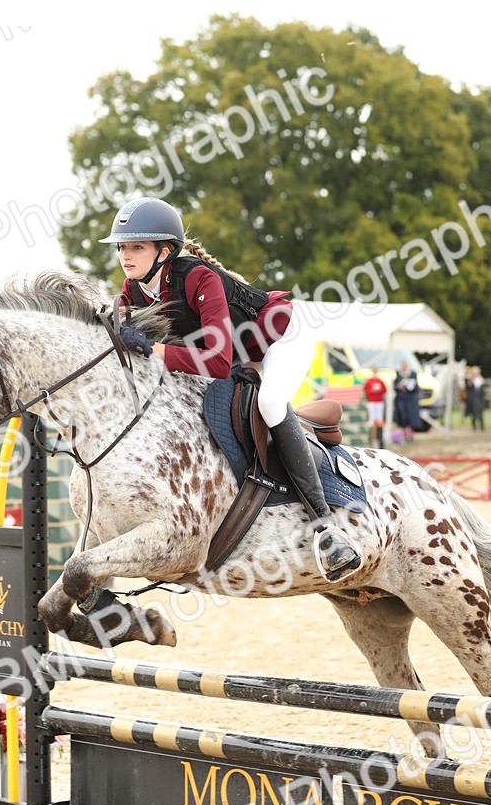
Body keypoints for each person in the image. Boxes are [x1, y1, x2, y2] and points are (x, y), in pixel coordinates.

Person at [99, 196, 362, 581]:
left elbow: (218, 363)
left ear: (165, 251)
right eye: (122, 247)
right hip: (237, 352)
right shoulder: (132, 290)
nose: (126, 255)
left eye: (136, 246)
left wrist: (155, 348)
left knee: (271, 402)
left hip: (279, 338)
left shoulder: (198, 278)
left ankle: (326, 529)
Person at [393, 360, 421, 441]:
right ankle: (404, 434)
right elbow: (395, 386)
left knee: (411, 417)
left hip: (411, 399)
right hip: (402, 399)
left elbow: (416, 387)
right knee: (403, 417)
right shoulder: (398, 374)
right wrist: (399, 387)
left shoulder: (413, 374)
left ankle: (411, 434)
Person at [363, 367, 387, 447]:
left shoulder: (380, 381)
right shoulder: (369, 381)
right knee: (372, 420)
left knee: (379, 420)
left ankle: (380, 440)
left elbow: (384, 390)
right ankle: (371, 440)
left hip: (379, 402)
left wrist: (379, 390)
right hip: (372, 402)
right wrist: (372, 391)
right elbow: (366, 390)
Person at [465, 365, 486, 430]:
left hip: (480, 399)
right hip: (473, 400)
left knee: (480, 413)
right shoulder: (470, 381)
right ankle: (474, 426)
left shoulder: (481, 380)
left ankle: (482, 426)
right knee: (473, 414)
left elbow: (483, 392)